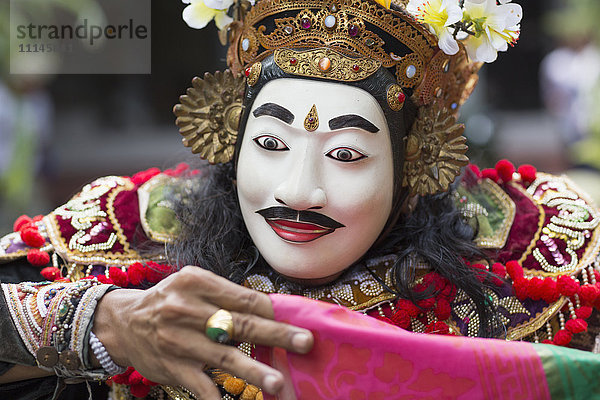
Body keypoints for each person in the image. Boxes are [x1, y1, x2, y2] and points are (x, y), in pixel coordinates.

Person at [2, 0, 600, 399]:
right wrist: (103, 322)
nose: (297, 191)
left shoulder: (532, 256)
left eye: (346, 154)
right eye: (269, 142)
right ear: (229, 136)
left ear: (417, 163)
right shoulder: (127, 232)